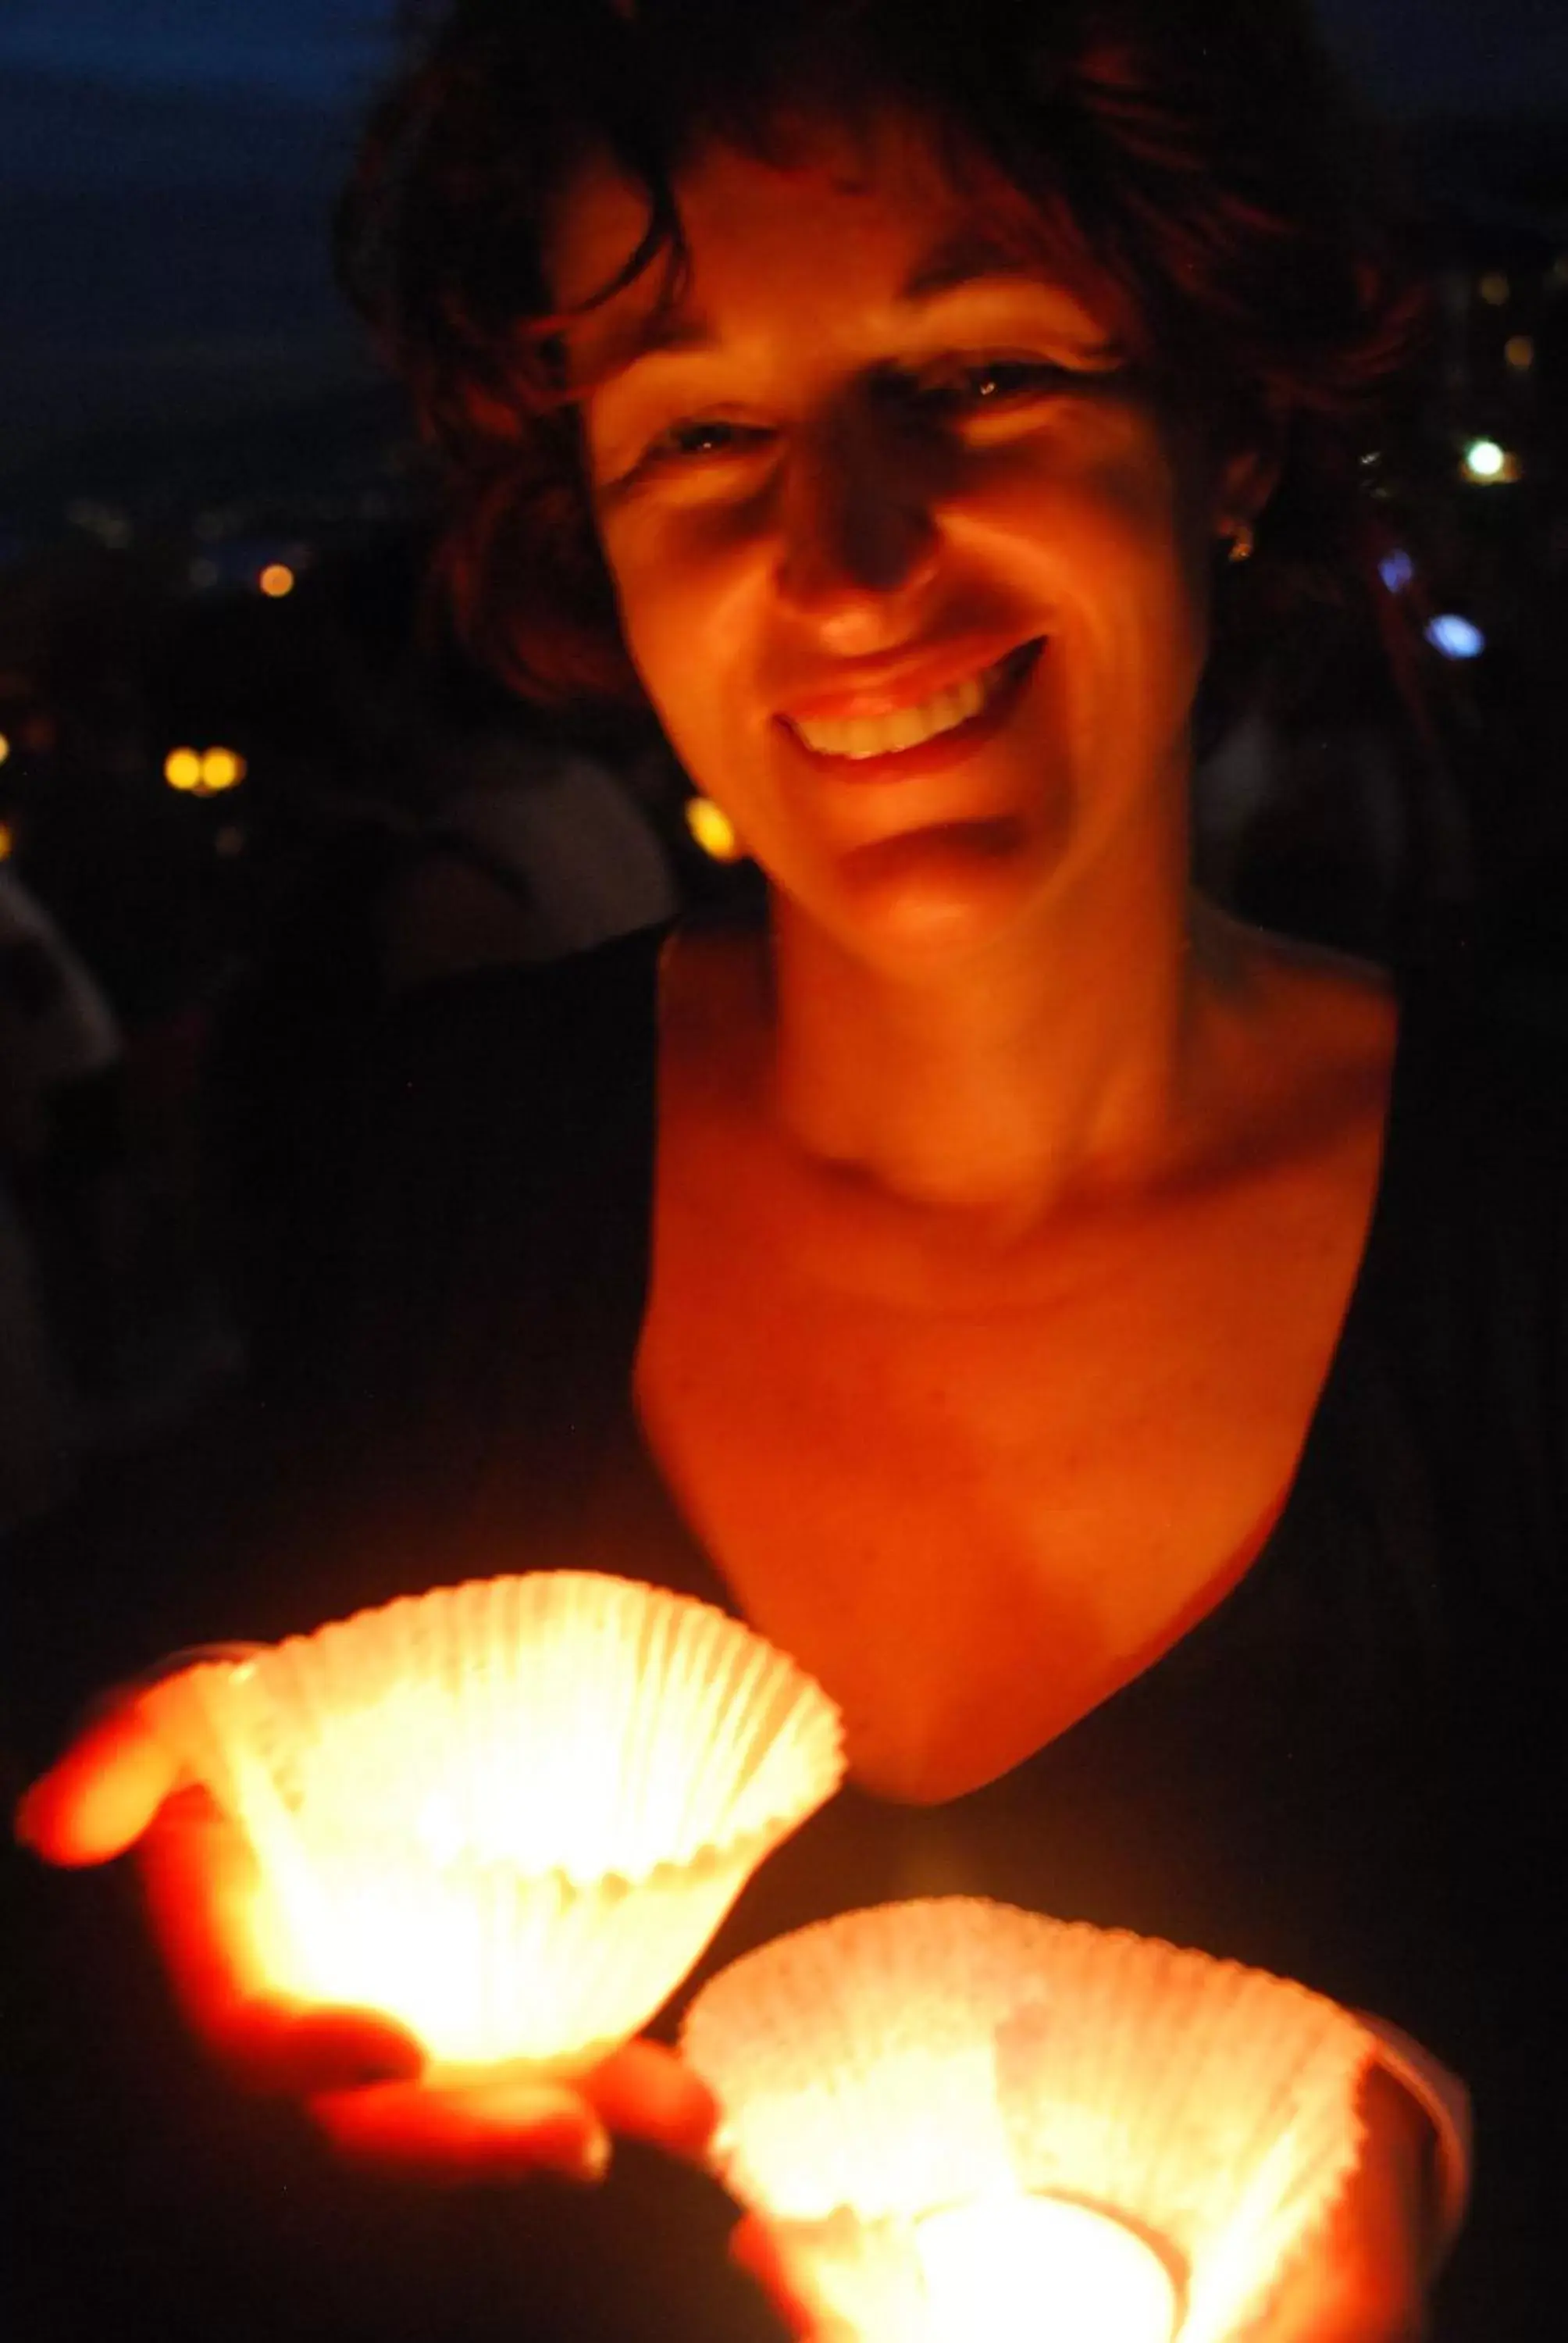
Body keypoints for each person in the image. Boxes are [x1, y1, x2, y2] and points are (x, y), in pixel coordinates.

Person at [12, 3, 1563, 2338]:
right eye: (705, 430)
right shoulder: (438, 1155)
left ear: (1224, 425)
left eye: (974, 380)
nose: (848, 567)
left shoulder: (1526, 1238)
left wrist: (1417, 2161)